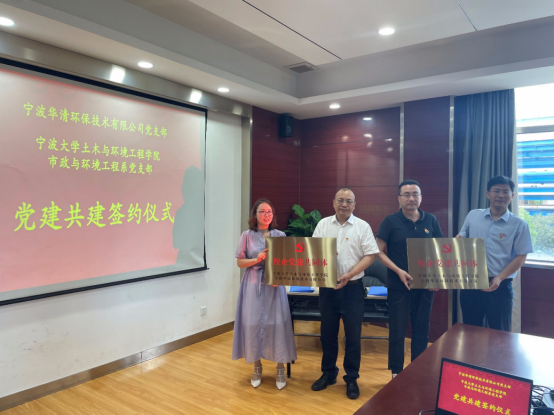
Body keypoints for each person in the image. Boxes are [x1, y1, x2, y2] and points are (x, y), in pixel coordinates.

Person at [310, 188, 379, 400]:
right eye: (340, 200)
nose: (344, 204)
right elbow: (313, 251)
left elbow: (370, 256)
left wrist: (349, 274)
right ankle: (328, 373)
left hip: (353, 289)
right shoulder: (323, 224)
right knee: (328, 333)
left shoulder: (362, 226)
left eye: (349, 201)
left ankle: (351, 378)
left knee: (353, 336)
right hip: (328, 288)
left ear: (354, 205)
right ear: (333, 202)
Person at [375, 179, 443, 379]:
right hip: (398, 285)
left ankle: (418, 370)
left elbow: (440, 250)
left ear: (421, 197)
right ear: (399, 198)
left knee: (421, 329)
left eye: (415, 194)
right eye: (406, 194)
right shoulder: (390, 221)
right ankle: (396, 372)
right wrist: (398, 270)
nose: (411, 198)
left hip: (425, 285)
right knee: (397, 330)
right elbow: (377, 251)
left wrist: (437, 278)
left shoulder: (431, 220)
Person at [232, 198, 297, 390]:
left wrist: (280, 275)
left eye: (269, 211)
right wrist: (256, 259)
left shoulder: (280, 235)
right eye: (262, 211)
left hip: (275, 286)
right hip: (252, 285)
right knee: (252, 324)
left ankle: (280, 369)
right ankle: (257, 367)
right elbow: (239, 262)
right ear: (255, 215)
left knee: (278, 324)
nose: (267, 215)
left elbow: (288, 262)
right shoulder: (246, 235)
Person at [457, 175, 533, 331]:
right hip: (471, 282)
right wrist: (457, 241)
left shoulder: (519, 224)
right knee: (471, 331)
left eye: (505, 191)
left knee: (500, 334)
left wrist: (499, 278)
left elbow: (521, 257)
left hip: (500, 286)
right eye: (496, 191)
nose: (500, 195)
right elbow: (461, 237)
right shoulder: (473, 215)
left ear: (512, 195)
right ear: (488, 194)